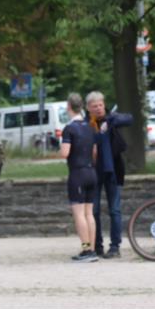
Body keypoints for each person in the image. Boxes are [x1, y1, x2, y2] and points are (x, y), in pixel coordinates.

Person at [86, 91, 133, 259]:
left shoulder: (112, 119)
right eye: (94, 106)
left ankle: (115, 247)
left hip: (112, 171)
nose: (98, 109)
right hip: (93, 173)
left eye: (100, 105)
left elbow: (129, 118)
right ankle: (96, 245)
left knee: (115, 210)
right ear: (88, 108)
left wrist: (110, 120)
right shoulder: (87, 124)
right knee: (95, 211)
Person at [60, 93, 99, 263]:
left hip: (77, 173)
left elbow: (65, 153)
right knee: (89, 213)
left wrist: (59, 149)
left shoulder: (69, 128)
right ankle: (92, 249)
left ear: (69, 106)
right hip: (91, 171)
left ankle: (85, 249)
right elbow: (94, 152)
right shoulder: (90, 126)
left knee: (79, 214)